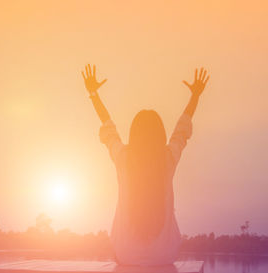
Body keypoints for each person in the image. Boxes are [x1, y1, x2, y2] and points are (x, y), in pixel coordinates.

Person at [81, 65, 210, 265]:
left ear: (134, 134)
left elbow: (108, 127)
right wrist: (195, 96)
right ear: (161, 135)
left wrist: (93, 93)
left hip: (126, 254)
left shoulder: (123, 157)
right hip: (164, 255)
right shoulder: (167, 158)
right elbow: (181, 130)